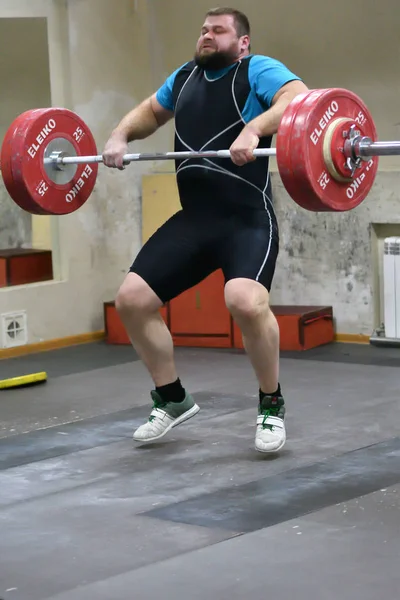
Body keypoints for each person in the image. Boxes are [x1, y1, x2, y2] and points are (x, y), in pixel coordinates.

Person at [102, 7, 308, 453]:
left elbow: (299, 97)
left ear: (242, 42)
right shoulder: (185, 78)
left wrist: (255, 128)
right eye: (203, 30)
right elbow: (151, 113)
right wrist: (120, 135)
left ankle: (270, 404)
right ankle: (172, 398)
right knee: (132, 301)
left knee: (244, 302)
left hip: (246, 219)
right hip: (195, 219)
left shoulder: (257, 70)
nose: (207, 36)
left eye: (218, 30)